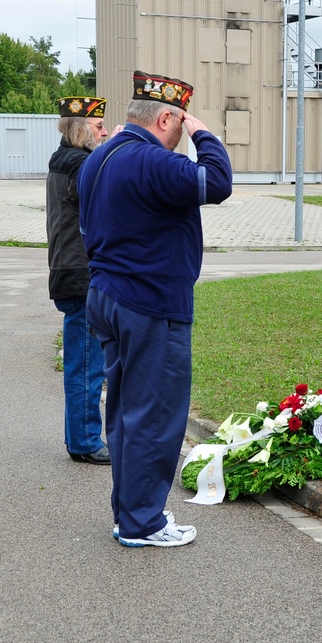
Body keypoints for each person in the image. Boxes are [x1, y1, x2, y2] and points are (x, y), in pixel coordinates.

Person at [78, 70, 233, 548]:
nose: (179, 137)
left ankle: (131, 513)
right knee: (156, 414)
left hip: (108, 295)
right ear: (165, 117)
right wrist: (203, 133)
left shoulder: (100, 157)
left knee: (126, 412)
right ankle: (143, 523)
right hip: (149, 303)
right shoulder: (150, 159)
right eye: (178, 124)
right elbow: (218, 181)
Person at [45, 96, 112, 465]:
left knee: (83, 362)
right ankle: (86, 441)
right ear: (80, 128)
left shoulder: (67, 159)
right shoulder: (78, 164)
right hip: (80, 275)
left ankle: (80, 439)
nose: (104, 131)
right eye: (99, 126)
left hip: (70, 271)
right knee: (87, 365)